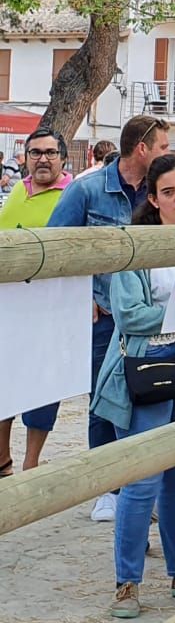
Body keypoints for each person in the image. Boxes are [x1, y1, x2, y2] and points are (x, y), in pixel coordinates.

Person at [91, 154, 175, 618]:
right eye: (169, 191)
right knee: (143, 476)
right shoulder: (135, 243)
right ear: (152, 198)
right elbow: (130, 317)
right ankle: (126, 582)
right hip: (147, 366)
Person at [48, 115, 172, 521]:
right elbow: (53, 249)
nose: (168, 154)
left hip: (148, 315)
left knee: (147, 396)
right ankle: (107, 488)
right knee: (104, 400)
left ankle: (138, 488)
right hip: (103, 315)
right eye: (164, 148)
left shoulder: (158, 194)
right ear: (143, 149)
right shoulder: (85, 191)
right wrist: (80, 296)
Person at [0, 129, 74, 474]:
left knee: (43, 386)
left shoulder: (73, 193)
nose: (42, 159)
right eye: (35, 153)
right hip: (10, 306)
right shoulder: (18, 189)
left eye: (50, 152)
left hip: (51, 308)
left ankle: (32, 463)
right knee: (5, 381)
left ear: (63, 157)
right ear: (26, 157)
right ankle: (3, 459)